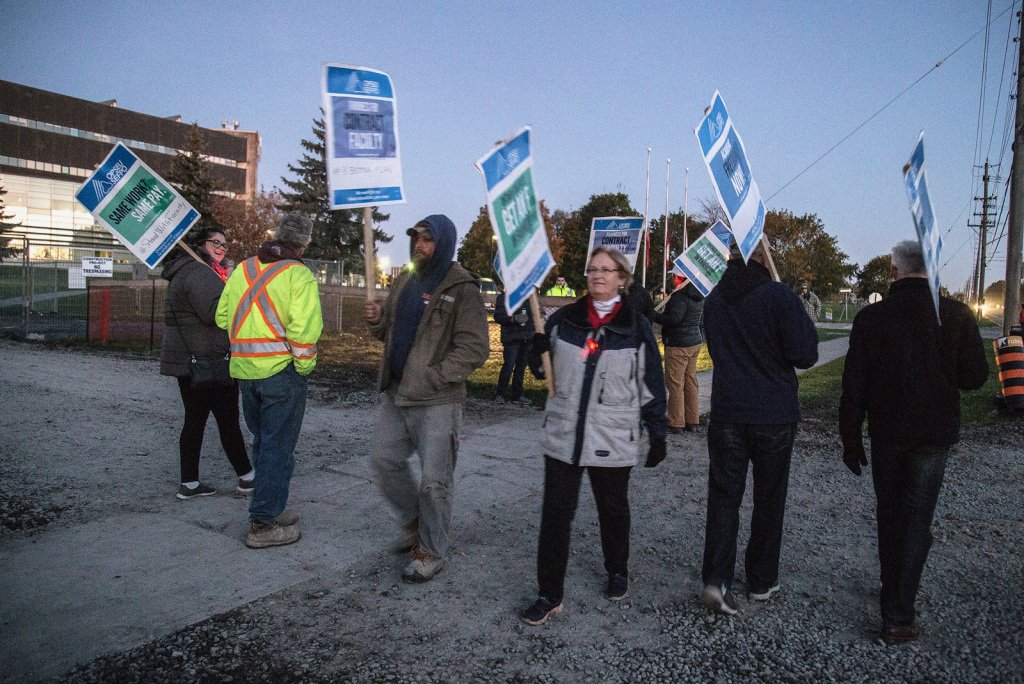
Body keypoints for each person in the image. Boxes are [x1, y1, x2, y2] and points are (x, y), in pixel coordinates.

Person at [839, 240, 987, 645]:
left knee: (890, 515)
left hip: (887, 432)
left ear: (893, 272)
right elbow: (975, 377)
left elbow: (854, 385)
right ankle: (899, 613)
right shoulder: (955, 316)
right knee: (917, 520)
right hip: (933, 435)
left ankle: (893, 592)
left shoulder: (873, 318)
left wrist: (850, 438)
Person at [520, 246, 667, 626]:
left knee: (613, 510)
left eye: (607, 270)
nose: (598, 275)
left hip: (612, 436)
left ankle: (617, 569)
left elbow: (651, 382)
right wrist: (536, 353)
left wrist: (657, 428)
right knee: (555, 516)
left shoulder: (635, 327)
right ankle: (549, 594)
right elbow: (542, 373)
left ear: (623, 279)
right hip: (563, 435)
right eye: (592, 269)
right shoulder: (563, 319)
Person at [364, 215, 489, 583]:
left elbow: (474, 348)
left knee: (435, 481)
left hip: (437, 401)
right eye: (415, 238)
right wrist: (376, 319)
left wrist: (435, 376)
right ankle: (414, 521)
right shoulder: (406, 279)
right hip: (397, 393)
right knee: (383, 460)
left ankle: (430, 549)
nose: (418, 245)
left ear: (445, 243)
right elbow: (387, 331)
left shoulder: (462, 288)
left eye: (427, 239)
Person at [700, 241, 818, 615]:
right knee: (769, 500)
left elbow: (717, 350)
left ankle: (717, 578)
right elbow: (806, 354)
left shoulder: (715, 301)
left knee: (723, 499)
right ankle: (761, 580)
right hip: (773, 414)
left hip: (729, 411)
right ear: (761, 255)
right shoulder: (780, 297)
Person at [216, 213, 323, 549]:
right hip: (281, 372)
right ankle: (263, 523)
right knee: (278, 448)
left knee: (263, 443)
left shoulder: (244, 268)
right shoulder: (299, 275)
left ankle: (271, 506)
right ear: (303, 242)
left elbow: (222, 316)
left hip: (245, 372)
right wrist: (304, 368)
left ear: (276, 235)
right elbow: (304, 333)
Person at [160, 227, 254, 500]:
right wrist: (235, 293)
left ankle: (189, 482)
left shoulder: (183, 271)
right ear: (199, 244)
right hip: (209, 359)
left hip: (189, 360)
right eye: (215, 242)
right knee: (227, 419)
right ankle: (248, 477)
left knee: (195, 419)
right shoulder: (200, 273)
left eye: (225, 244)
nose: (221, 248)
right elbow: (215, 313)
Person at [652, 275, 704, 434]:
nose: (674, 278)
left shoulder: (680, 297)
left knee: (675, 384)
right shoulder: (699, 294)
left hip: (678, 344)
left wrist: (654, 315)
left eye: (676, 276)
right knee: (690, 382)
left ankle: (676, 422)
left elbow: (674, 319)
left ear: (682, 278)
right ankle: (692, 421)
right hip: (694, 342)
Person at [493, 292, 538, 406]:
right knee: (509, 365)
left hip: (527, 337)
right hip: (511, 337)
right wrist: (513, 319)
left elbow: (534, 314)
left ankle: (517, 395)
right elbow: (498, 316)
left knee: (521, 367)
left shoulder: (528, 297)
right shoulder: (504, 297)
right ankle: (500, 394)